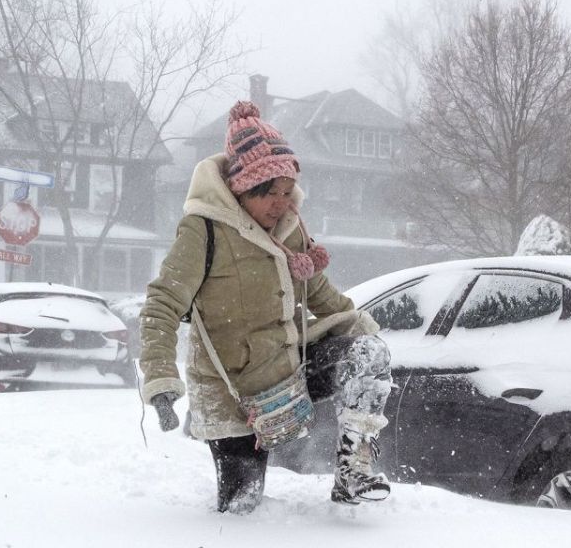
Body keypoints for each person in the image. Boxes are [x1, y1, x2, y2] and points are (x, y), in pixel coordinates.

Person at [139, 101, 393, 514]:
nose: (281, 203)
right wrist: (161, 380)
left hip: (290, 369)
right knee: (243, 509)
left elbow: (323, 297)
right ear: (242, 188)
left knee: (367, 351)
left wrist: (371, 333)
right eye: (269, 193)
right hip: (233, 391)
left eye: (286, 192)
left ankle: (355, 471)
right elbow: (162, 304)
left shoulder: (290, 231)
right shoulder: (203, 229)